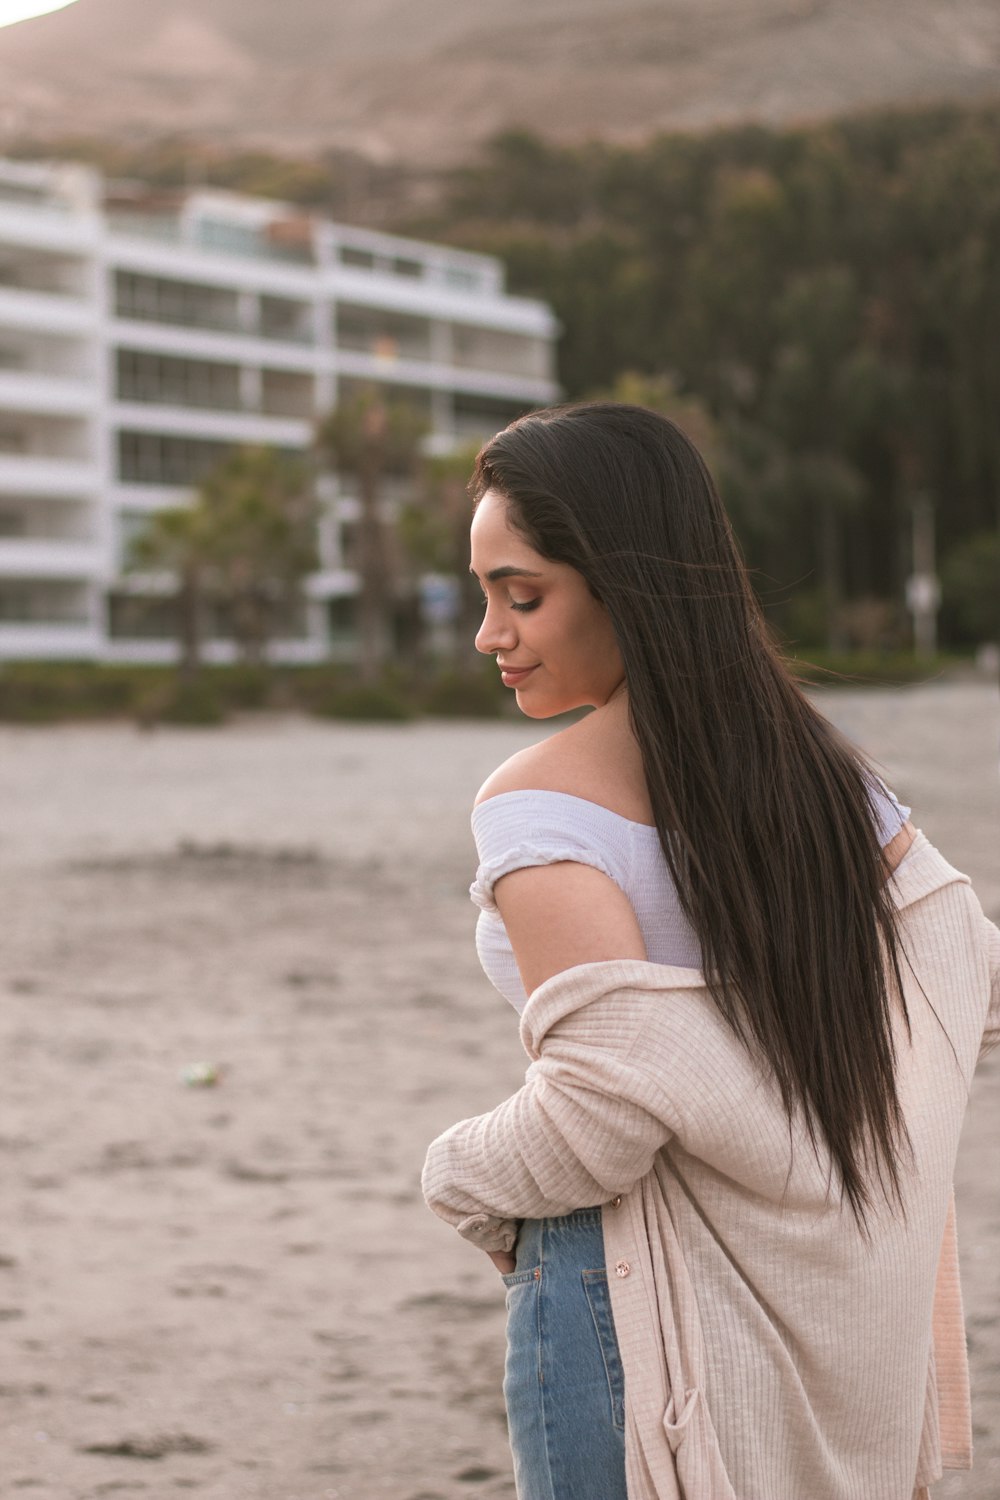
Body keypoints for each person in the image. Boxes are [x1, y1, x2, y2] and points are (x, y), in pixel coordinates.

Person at [421, 402, 1000, 1500]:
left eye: (522, 595)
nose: (489, 635)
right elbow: (966, 980)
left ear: (623, 585)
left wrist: (456, 1174)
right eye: (485, 595)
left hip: (638, 1316)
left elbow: (601, 1115)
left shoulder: (541, 807)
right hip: (833, 1324)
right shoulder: (830, 784)